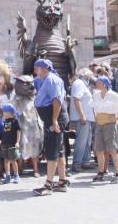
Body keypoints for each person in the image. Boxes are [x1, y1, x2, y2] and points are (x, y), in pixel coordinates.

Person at [31, 58, 69, 195]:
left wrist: (54, 120)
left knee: (52, 149)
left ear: (43, 68)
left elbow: (57, 100)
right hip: (51, 118)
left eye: (36, 68)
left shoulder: (51, 79)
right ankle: (62, 181)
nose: (35, 70)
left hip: (55, 118)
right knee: (58, 150)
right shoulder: (46, 79)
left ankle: (48, 185)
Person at [89, 75, 118, 183]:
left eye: (99, 82)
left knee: (112, 149)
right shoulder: (96, 95)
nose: (97, 84)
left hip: (110, 124)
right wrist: (96, 117)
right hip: (100, 123)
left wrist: (117, 118)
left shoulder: (113, 95)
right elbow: (93, 107)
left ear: (105, 84)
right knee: (99, 149)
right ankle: (101, 172)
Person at [69, 68, 94, 172]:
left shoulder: (83, 84)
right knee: (81, 141)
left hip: (86, 118)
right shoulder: (79, 83)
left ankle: (85, 162)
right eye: (89, 76)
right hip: (82, 118)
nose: (90, 78)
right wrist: (82, 115)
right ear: (85, 76)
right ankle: (77, 163)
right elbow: (77, 99)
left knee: (87, 141)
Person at [0, 104, 21, 184]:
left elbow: (18, 132)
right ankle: (8, 176)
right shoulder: (5, 121)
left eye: (5, 112)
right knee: (6, 160)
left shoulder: (15, 121)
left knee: (13, 160)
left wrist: (17, 142)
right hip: (5, 143)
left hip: (12, 143)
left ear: (9, 112)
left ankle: (16, 175)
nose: (3, 113)